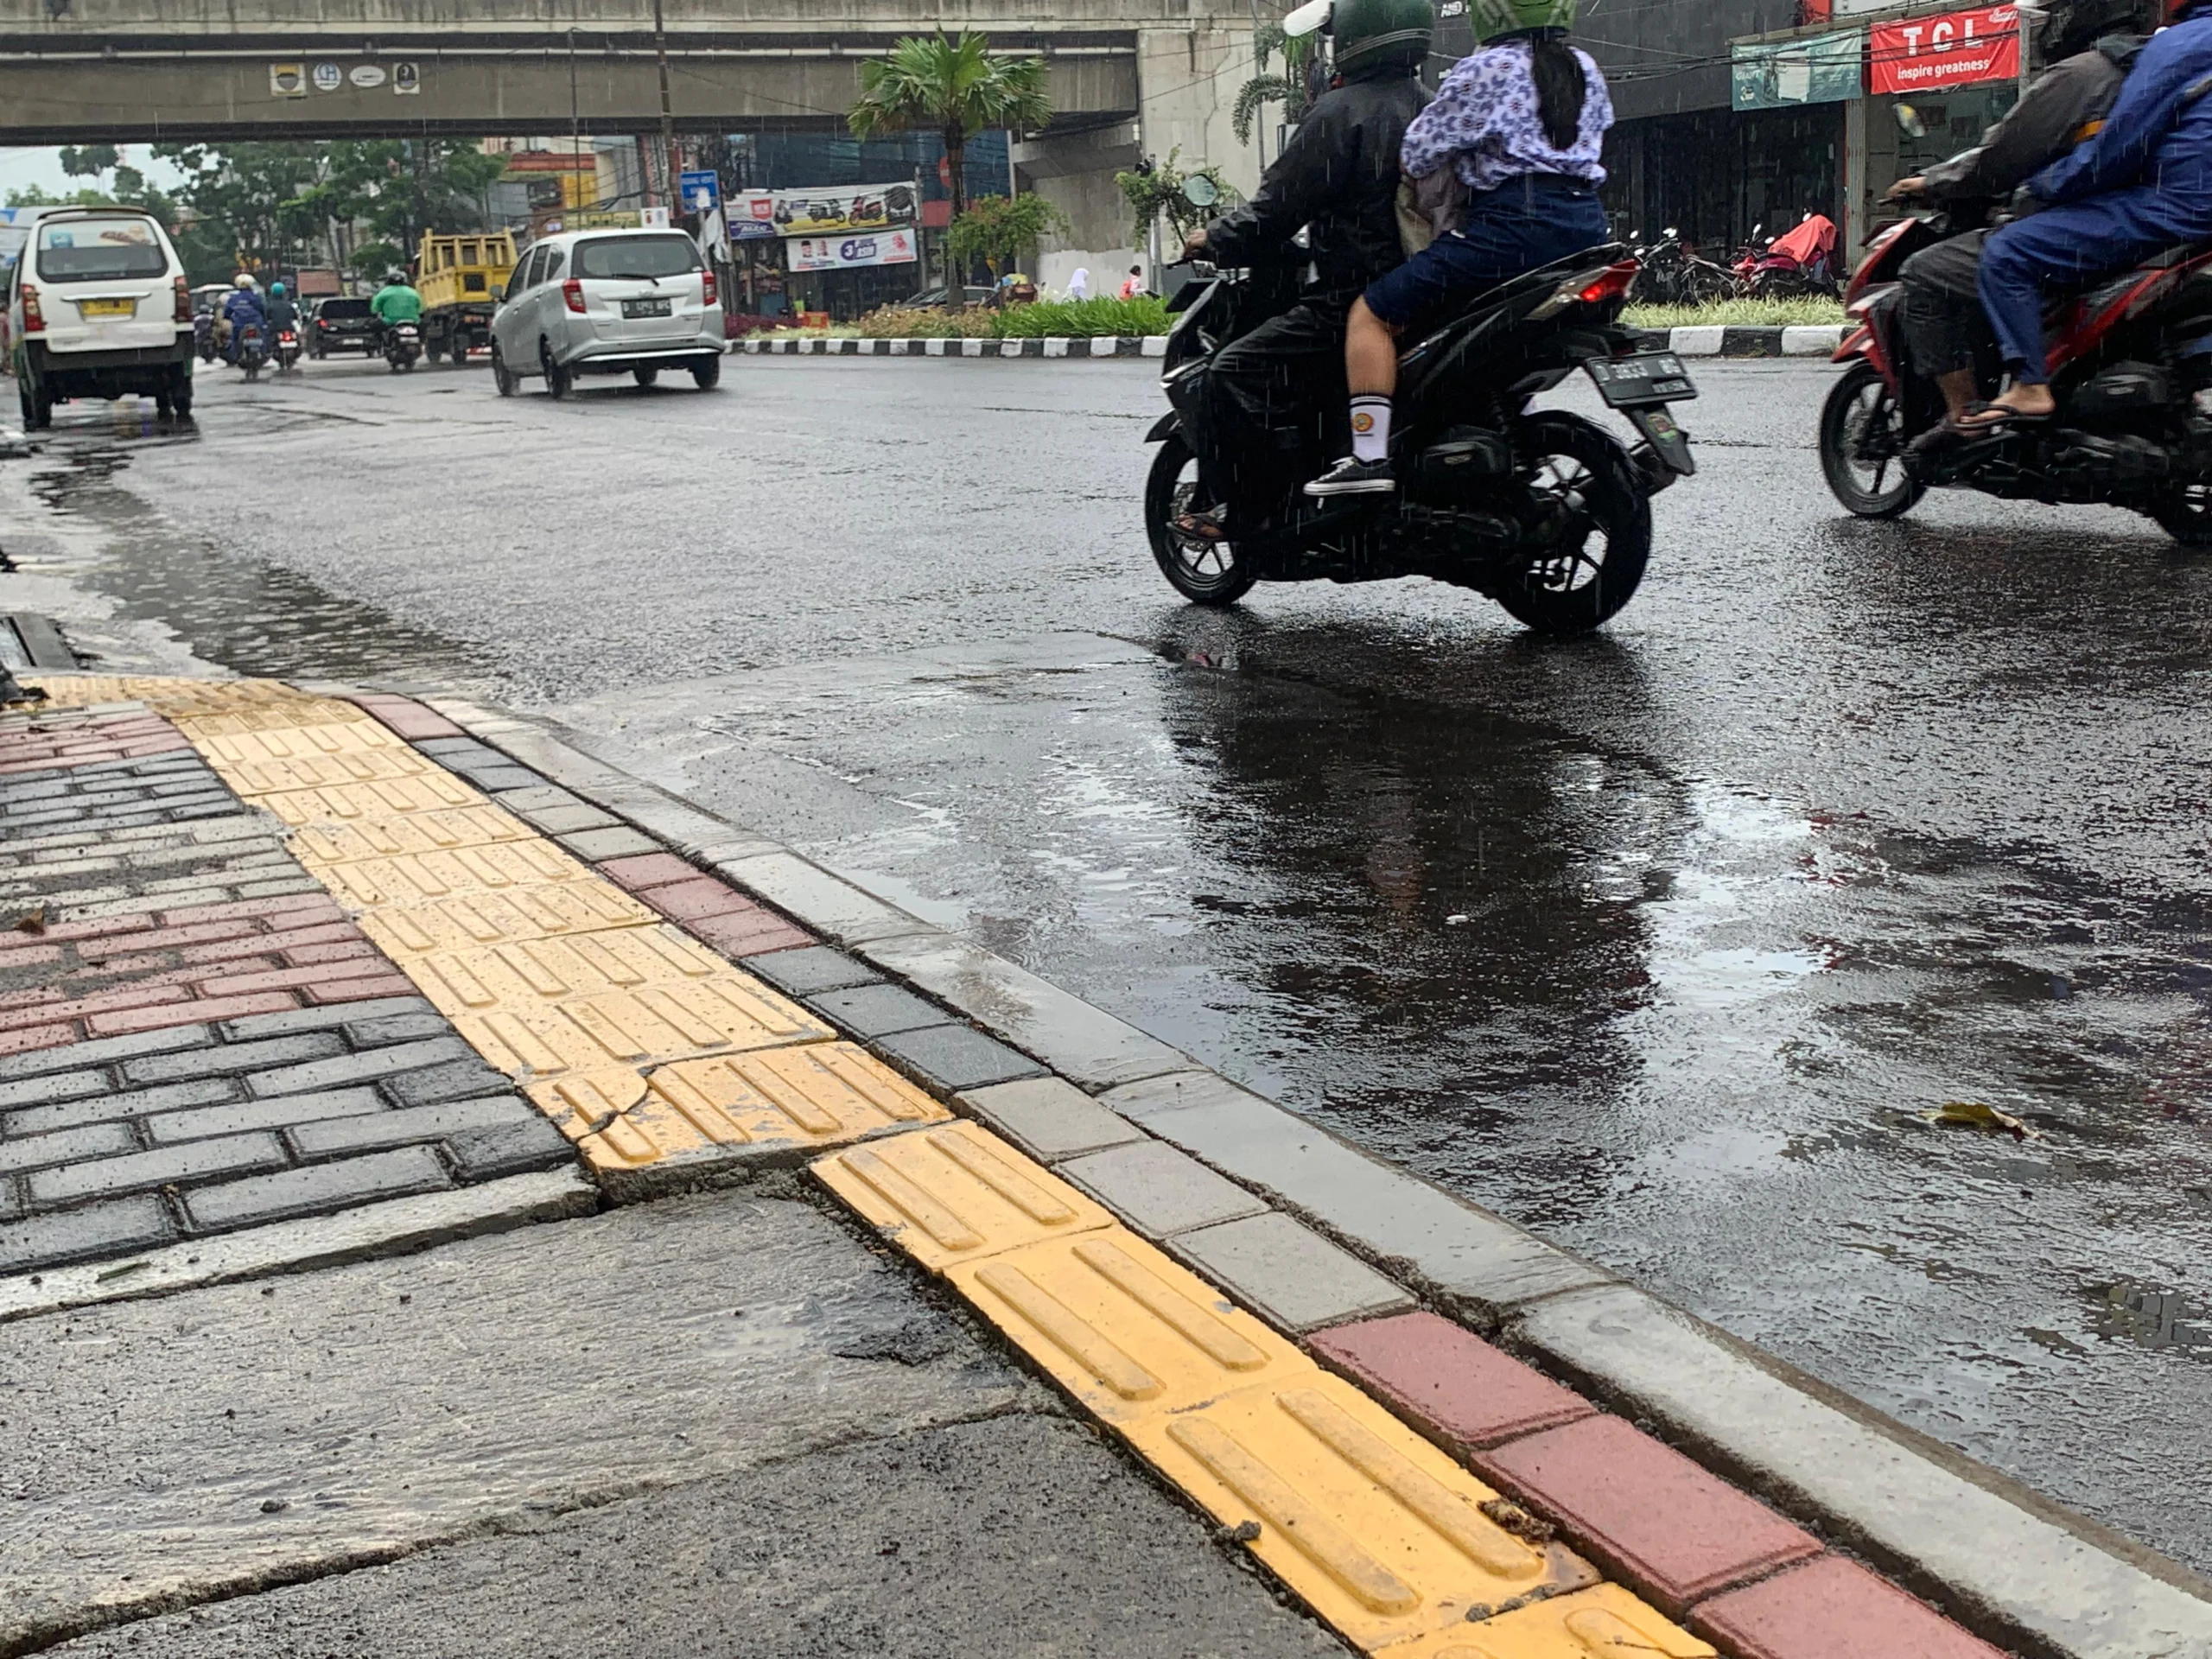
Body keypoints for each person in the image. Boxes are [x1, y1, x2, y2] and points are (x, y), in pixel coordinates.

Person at [1307, 0, 1612, 497]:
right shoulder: (1583, 67)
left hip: (1511, 230)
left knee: (1371, 314)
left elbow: (1420, 150)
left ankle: (1368, 459)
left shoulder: (1484, 69)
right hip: (1586, 227)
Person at [1175, 0, 1433, 534]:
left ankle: (1253, 511)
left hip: (1354, 293)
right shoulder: (1433, 106)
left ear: (1356, 36)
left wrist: (1214, 236)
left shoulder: (1339, 113)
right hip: (1433, 284)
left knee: (1233, 371)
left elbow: (1279, 207)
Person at [1887, 0, 2151, 438]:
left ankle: (1965, 418)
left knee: (1924, 272)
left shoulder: (2081, 74)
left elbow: (2003, 156)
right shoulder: (2154, 70)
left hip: (2076, 227)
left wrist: (1930, 182)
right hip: (2143, 224)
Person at [1962, 0, 2212, 432]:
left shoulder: (2178, 46)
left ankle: (2030, 386)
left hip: (2182, 207)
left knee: (2009, 252)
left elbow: (2118, 147)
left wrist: (2045, 185)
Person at [219, 272, 266, 364]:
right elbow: (262, 309)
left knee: (235, 339)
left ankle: (237, 356)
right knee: (263, 336)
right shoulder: (256, 297)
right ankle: (264, 353)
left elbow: (227, 312)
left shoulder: (234, 298)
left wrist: (227, 317)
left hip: (240, 324)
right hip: (256, 322)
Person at [371, 269, 424, 343]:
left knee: (374, 326)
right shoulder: (413, 292)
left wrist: (376, 313)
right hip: (413, 321)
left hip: (390, 321)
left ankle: (381, 345)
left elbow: (375, 308)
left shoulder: (384, 292)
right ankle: (422, 343)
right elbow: (421, 308)